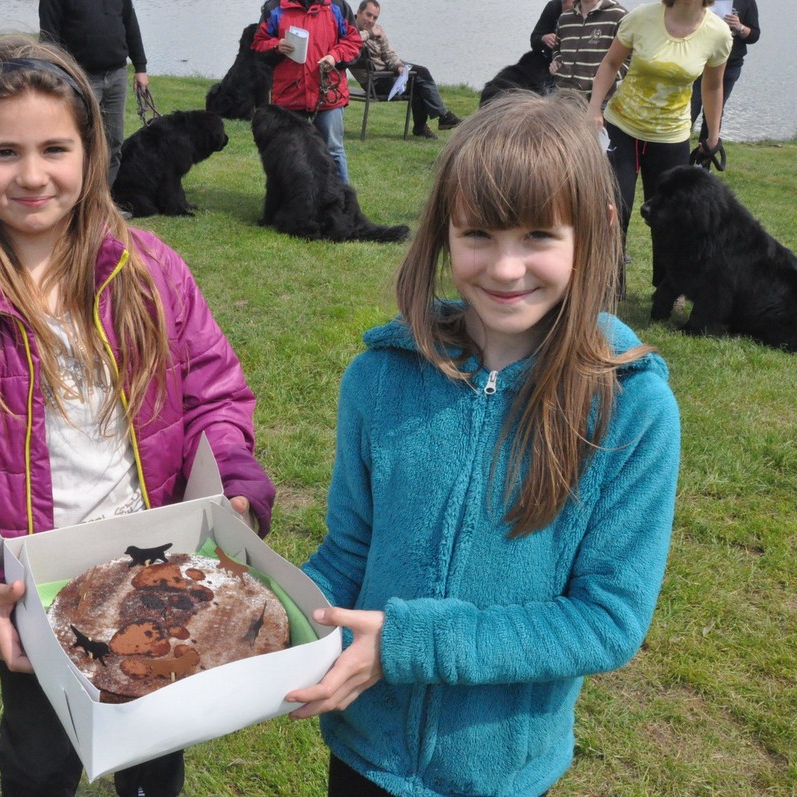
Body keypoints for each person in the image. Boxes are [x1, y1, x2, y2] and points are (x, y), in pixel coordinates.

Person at [0, 36, 275, 797]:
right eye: (3, 152)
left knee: (156, 744)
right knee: (39, 760)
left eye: (55, 148)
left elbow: (215, 398)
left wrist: (235, 484)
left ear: (91, 148)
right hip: (35, 599)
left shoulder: (151, 270)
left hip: (158, 571)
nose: (31, 175)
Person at [285, 91, 680, 797]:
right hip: (365, 749)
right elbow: (347, 552)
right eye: (479, 235)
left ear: (596, 229)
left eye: (538, 236)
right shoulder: (378, 379)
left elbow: (607, 620)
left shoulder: (633, 410)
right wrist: (269, 622)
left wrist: (409, 646)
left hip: (500, 773)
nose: (504, 268)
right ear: (444, 232)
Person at [588, 0, 731, 288]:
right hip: (622, 126)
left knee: (670, 216)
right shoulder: (642, 17)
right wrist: (593, 108)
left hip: (671, 135)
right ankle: (608, 283)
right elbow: (611, 63)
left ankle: (666, 289)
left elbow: (713, 86)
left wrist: (713, 135)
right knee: (615, 205)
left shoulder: (718, 33)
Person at [39, 0, 148, 186]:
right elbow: (49, 38)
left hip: (116, 75)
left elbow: (130, 24)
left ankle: (105, 196)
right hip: (78, 78)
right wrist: (56, 75)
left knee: (113, 143)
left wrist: (140, 67)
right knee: (79, 143)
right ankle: (78, 197)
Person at [252, 0, 363, 184]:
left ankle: (343, 201)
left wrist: (334, 56)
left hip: (327, 94)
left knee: (333, 151)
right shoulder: (275, 7)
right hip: (289, 96)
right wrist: (276, 46)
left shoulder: (338, 6)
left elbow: (354, 43)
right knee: (288, 152)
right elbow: (258, 44)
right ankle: (288, 200)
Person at [349, 0, 461, 140]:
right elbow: (349, 42)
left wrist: (399, 67)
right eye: (368, 15)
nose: (371, 20)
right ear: (359, 12)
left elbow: (389, 55)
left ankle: (434, 121)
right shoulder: (348, 29)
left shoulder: (378, 30)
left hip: (388, 72)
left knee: (421, 73)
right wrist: (369, 34)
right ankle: (436, 120)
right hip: (375, 81)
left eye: (375, 17)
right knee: (417, 82)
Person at [690, 0, 759, 149]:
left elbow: (754, 36)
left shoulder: (746, 2)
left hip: (730, 65)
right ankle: (678, 150)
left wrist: (739, 27)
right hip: (701, 62)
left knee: (714, 112)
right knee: (691, 106)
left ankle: (705, 155)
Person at [549, 0, 628, 99]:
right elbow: (557, 49)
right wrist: (557, 62)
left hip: (599, 101)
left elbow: (629, 59)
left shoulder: (619, 15)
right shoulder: (564, 18)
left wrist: (601, 80)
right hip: (562, 98)